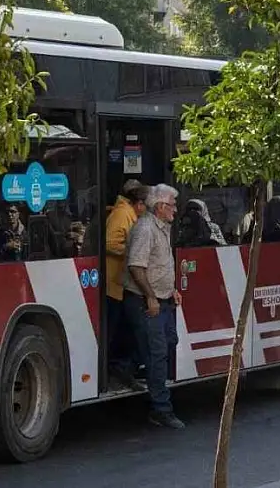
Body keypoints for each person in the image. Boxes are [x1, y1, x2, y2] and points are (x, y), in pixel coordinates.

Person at [123, 184, 184, 429]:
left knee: (169, 342)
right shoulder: (146, 229)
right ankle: (161, 409)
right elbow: (136, 266)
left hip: (163, 298)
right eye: (172, 205)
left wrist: (171, 290)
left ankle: (126, 366)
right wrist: (150, 297)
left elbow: (159, 264)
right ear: (160, 207)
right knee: (158, 353)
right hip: (146, 301)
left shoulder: (162, 228)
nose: (176, 210)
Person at [105, 180, 148, 389]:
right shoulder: (122, 214)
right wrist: (134, 253)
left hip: (122, 282)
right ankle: (114, 370)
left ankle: (119, 369)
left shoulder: (127, 213)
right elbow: (111, 244)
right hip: (116, 283)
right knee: (115, 330)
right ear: (137, 203)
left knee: (122, 330)